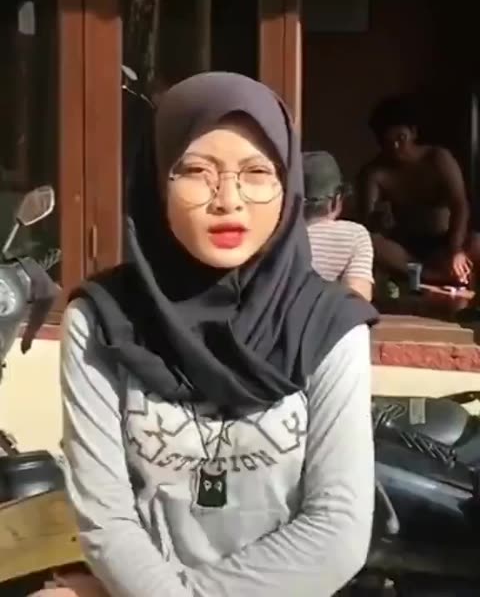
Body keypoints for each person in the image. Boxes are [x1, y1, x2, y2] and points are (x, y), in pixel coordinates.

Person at [32, 72, 377, 597]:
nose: (228, 200)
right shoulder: (102, 320)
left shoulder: (329, 325)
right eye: (196, 171)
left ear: (288, 188)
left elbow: (336, 534)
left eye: (257, 172)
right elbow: (107, 520)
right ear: (156, 183)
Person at [357, 94, 480, 286]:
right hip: (406, 250)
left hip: (445, 241)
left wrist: (455, 249)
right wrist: (378, 221)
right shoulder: (375, 173)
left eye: (401, 138)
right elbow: (367, 222)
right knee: (369, 241)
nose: (396, 147)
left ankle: (439, 272)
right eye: (388, 142)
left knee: (477, 242)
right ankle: (431, 276)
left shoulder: (438, 158)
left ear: (413, 133)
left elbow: (460, 205)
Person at [304, 151, 374, 301]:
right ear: (337, 200)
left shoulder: (272, 233)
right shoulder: (354, 235)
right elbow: (358, 299)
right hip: (328, 315)